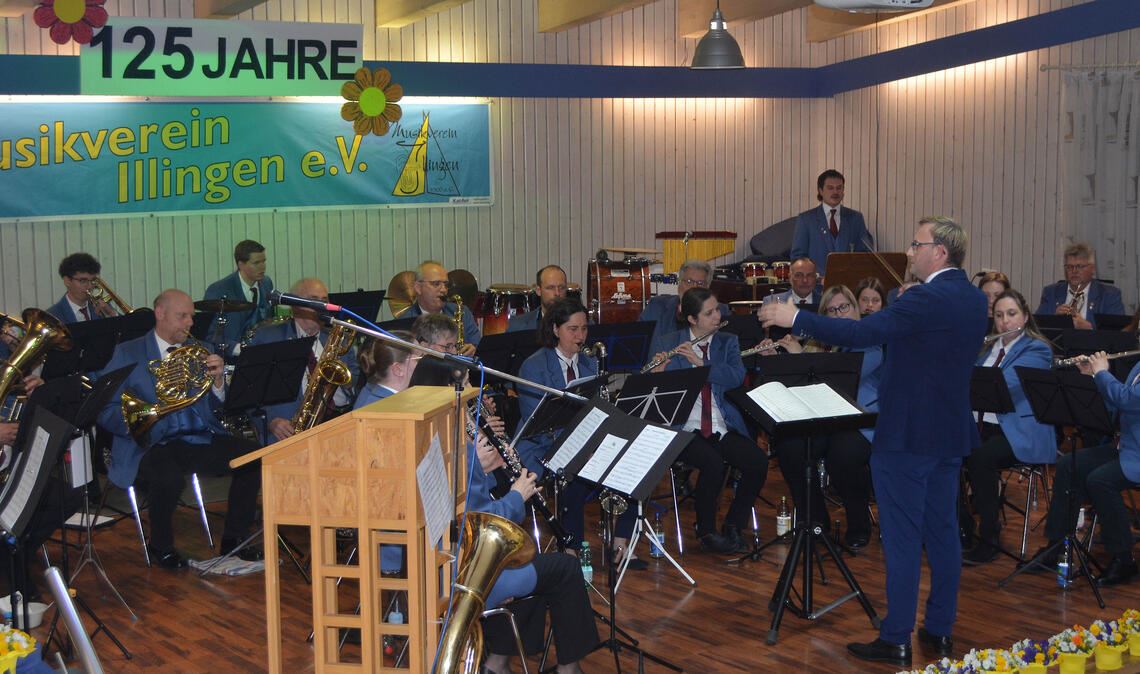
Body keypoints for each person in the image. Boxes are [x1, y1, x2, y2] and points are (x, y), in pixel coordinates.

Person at [761, 216, 987, 667]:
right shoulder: (973, 297)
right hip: (948, 431)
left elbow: (860, 333)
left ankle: (896, 635)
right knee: (943, 533)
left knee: (902, 538)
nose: (910, 251)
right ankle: (939, 628)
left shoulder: (924, 298)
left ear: (940, 252)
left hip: (907, 435)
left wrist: (797, 317)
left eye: (917, 244)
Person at [96, 289, 262, 568]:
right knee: (168, 479)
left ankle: (235, 539)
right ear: (160, 314)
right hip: (149, 442)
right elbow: (104, 406)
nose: (189, 323)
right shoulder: (128, 352)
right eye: (182, 316)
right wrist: (136, 423)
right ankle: (161, 546)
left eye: (191, 317)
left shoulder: (202, 350)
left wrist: (218, 384)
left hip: (197, 437)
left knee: (252, 458)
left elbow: (220, 408)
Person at [466, 419, 598, 674]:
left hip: (466, 563)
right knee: (566, 567)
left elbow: (470, 498)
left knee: (526, 558)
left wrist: (486, 469)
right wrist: (517, 495)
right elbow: (483, 523)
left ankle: (497, 664)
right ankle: (569, 670)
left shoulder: (443, 438)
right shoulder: (458, 449)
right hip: (472, 576)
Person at [648, 287, 770, 553]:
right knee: (712, 463)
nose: (718, 316)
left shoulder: (727, 342)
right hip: (684, 427)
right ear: (692, 319)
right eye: (709, 313)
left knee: (757, 462)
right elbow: (654, 391)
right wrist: (658, 373)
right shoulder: (668, 342)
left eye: (717, 310)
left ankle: (734, 524)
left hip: (720, 424)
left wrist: (702, 363)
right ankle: (706, 531)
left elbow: (735, 377)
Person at [767, 285, 879, 548]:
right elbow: (803, 385)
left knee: (843, 456)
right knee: (791, 448)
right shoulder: (819, 345)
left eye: (844, 307)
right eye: (831, 311)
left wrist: (801, 356)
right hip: (823, 421)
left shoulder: (871, 342)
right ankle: (815, 521)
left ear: (855, 309)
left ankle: (859, 522)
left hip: (860, 421)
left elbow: (838, 380)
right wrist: (781, 359)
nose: (839, 314)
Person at [961, 290, 1057, 565]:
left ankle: (989, 535)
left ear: (1025, 317)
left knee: (980, 457)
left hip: (1017, 432)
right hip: (979, 426)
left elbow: (1006, 386)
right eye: (999, 315)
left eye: (1012, 314)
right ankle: (962, 527)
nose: (1005, 321)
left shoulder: (1037, 349)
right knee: (944, 450)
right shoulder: (985, 348)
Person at [1029, 349, 1140, 587]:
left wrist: (1102, 373)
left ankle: (1124, 559)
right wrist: (1091, 379)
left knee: (1101, 480)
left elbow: (1129, 400)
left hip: (1136, 453)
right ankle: (1058, 546)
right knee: (1069, 464)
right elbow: (1115, 408)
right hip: (1129, 447)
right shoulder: (1138, 366)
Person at [249, 278, 361, 443]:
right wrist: (271, 422)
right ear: (295, 304)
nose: (322, 306)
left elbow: (356, 382)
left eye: (324, 300)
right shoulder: (268, 338)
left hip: (340, 427)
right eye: (314, 300)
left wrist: (345, 382)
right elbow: (249, 391)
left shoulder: (339, 339)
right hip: (289, 433)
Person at [790, 169, 871, 277]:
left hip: (847, 284)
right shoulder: (806, 220)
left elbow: (864, 255)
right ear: (820, 191)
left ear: (843, 191)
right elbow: (798, 258)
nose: (835, 192)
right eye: (830, 188)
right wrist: (817, 278)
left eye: (839, 188)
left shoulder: (855, 218)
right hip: (817, 285)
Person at [203, 240, 275, 353]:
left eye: (264, 261)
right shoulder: (218, 290)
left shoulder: (267, 283)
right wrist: (237, 349)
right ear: (241, 265)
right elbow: (209, 335)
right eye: (256, 263)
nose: (262, 267)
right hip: (231, 357)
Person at [1036, 242, 1125, 329]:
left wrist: (1089, 328)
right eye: (1069, 267)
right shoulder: (1050, 292)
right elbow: (1036, 327)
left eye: (1079, 266)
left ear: (1093, 269)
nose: (1074, 271)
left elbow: (1115, 333)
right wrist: (1054, 320)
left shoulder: (1110, 295)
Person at [639, 259, 729, 343]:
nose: (694, 287)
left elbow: (724, 348)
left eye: (700, 283)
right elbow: (639, 343)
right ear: (679, 284)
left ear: (708, 287)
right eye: (689, 281)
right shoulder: (656, 306)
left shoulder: (721, 311)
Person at [404, 260, 481, 354]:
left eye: (446, 284)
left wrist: (474, 348)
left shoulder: (463, 312)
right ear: (418, 288)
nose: (444, 290)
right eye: (436, 284)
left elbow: (479, 347)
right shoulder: (405, 321)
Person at [354, 331, 419, 408]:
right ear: (398, 369)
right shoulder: (379, 408)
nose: (425, 361)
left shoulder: (381, 393)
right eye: (418, 358)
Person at [46, 253, 115, 323]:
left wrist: (112, 315)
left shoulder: (103, 307)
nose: (90, 286)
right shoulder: (52, 316)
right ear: (67, 281)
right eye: (83, 281)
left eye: (93, 280)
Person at [507, 265, 569, 333]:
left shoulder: (576, 323)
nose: (557, 293)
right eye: (550, 288)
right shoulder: (517, 325)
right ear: (538, 290)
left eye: (562, 287)